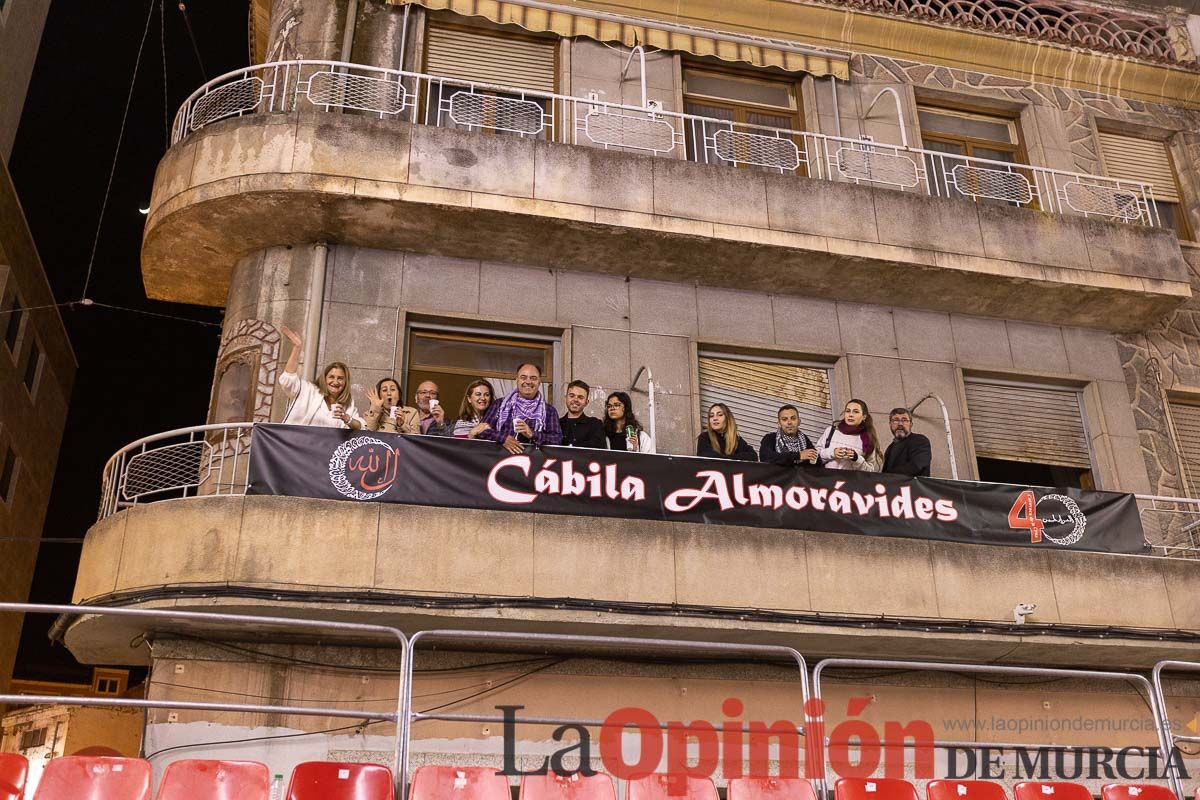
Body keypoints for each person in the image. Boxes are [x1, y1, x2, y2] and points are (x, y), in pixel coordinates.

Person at [276, 325, 363, 429]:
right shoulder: (308, 390)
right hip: (297, 442)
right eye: (331, 377)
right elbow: (288, 380)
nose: (335, 382)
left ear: (345, 382)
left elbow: (360, 426)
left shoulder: (348, 403)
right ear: (324, 379)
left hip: (329, 445)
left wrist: (346, 418)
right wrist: (297, 348)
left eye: (340, 378)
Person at [479, 363, 563, 454]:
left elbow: (557, 439)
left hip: (532, 464)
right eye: (523, 377)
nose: (528, 381)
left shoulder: (549, 411)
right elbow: (481, 430)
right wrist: (503, 438)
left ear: (539, 382)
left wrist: (532, 434)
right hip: (500, 462)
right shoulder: (499, 404)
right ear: (517, 380)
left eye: (533, 378)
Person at [816, 398, 882, 471]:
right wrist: (833, 452)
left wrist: (856, 458)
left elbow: (870, 470)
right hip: (827, 479)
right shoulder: (831, 431)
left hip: (852, 481)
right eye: (848, 411)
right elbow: (815, 457)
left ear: (864, 416)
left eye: (855, 412)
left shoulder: (868, 438)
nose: (850, 415)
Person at [883, 407, 932, 477]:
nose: (900, 424)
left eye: (904, 420)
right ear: (890, 424)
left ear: (911, 424)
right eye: (896, 420)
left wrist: (889, 477)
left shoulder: (919, 440)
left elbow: (916, 466)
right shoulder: (890, 448)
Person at [560, 380, 607, 448]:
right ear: (566, 398)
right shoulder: (557, 424)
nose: (575, 400)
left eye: (580, 397)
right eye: (572, 396)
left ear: (586, 402)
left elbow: (600, 450)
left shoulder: (595, 424)